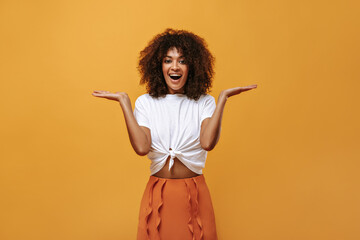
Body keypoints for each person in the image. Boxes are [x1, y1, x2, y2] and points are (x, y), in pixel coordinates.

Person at [92, 28, 257, 240]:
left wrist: (222, 99)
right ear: (158, 66)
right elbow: (142, 148)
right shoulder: (146, 103)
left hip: (194, 194)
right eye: (168, 60)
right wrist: (124, 102)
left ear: (192, 66)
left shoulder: (204, 102)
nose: (175, 67)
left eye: (182, 60)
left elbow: (207, 142)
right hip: (158, 194)